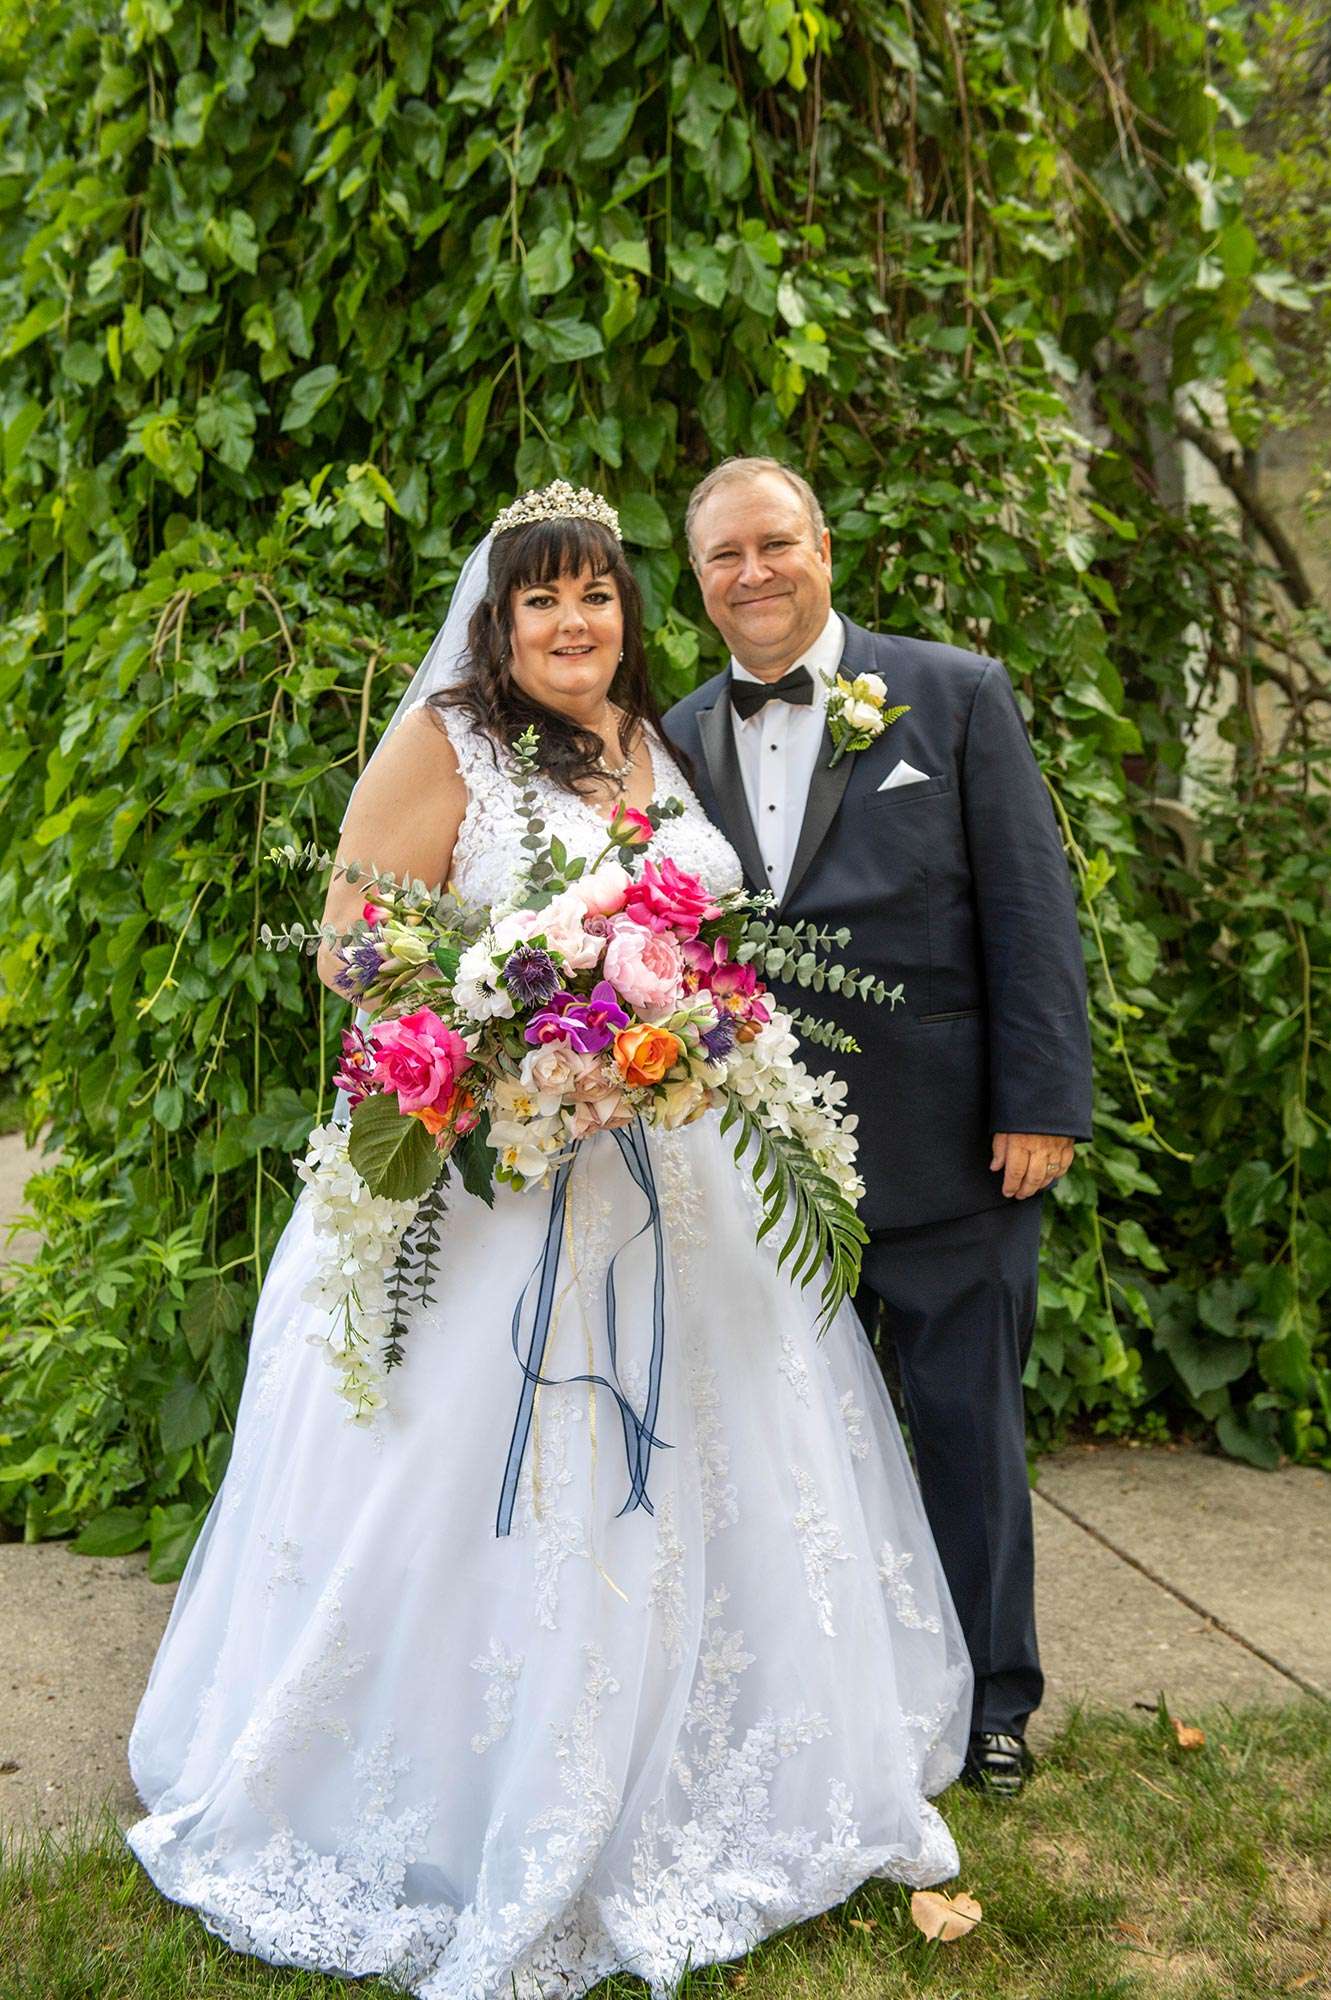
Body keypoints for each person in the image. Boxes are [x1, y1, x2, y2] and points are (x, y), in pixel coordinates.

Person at [123, 481, 973, 1999]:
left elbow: (697, 933)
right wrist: (513, 1018)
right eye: (542, 600)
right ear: (499, 622)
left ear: (627, 614)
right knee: (485, 1485)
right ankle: (475, 1784)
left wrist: (674, 1015)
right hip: (500, 1186)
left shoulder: (651, 743)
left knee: (723, 1467)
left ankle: (712, 1765)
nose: (574, 622)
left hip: (677, 1167)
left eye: (596, 594)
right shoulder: (442, 744)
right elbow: (352, 950)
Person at [665, 457, 1094, 1801]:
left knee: (968, 1433)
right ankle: (835, 1703)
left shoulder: (953, 694)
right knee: (791, 1450)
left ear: (824, 548)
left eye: (775, 543)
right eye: (725, 554)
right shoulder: (674, 736)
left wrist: (1041, 1102)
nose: (753, 573)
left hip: (952, 1144)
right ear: (698, 580)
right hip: (758, 1167)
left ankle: (993, 1704)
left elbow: (1030, 906)